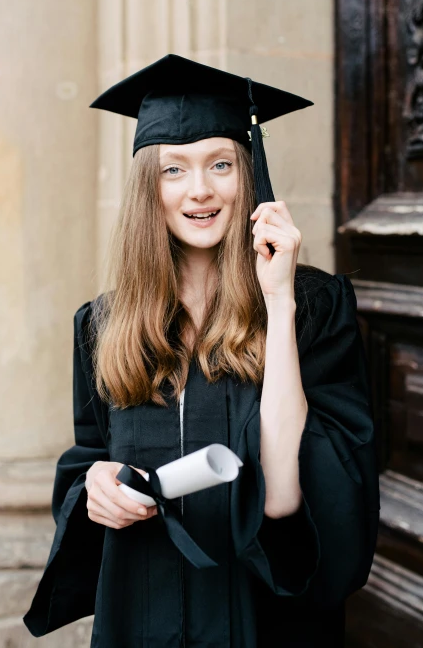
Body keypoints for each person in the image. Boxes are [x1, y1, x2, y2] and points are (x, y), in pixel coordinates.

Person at [23, 55, 381, 647]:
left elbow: (295, 493)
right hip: (143, 608)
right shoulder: (103, 324)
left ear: (249, 176)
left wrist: (280, 303)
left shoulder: (315, 307)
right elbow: (91, 455)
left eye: (221, 164)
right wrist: (99, 486)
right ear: (148, 187)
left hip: (262, 615)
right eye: (174, 170)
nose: (200, 190)